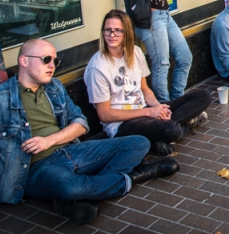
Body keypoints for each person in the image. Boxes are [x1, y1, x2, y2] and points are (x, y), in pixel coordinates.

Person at [0, 38, 179, 225]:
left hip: (74, 152)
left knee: (138, 143)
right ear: (24, 61)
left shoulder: (54, 88)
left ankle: (81, 197)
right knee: (69, 187)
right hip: (37, 168)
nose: (53, 66)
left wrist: (50, 139)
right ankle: (133, 177)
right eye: (46, 60)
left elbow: (80, 122)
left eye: (55, 61)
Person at [84, 10, 212, 157]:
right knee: (171, 130)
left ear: (127, 33)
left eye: (118, 31)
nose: (112, 35)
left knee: (204, 96)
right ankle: (183, 125)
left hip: (144, 109)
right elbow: (105, 115)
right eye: (108, 30)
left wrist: (158, 108)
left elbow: (144, 89)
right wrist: (149, 112)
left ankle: (160, 133)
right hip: (122, 124)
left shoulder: (136, 52)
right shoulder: (98, 67)